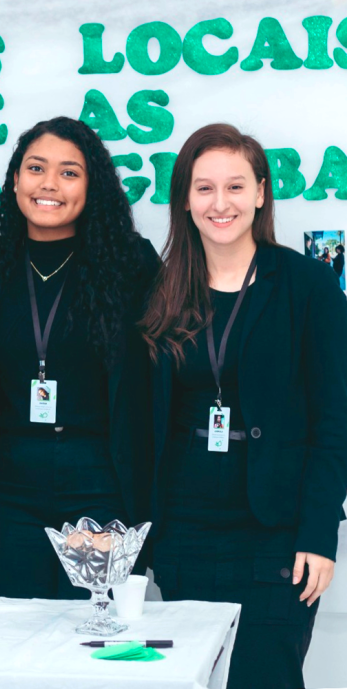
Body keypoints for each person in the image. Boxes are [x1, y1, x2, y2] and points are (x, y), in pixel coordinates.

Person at [141, 124, 347, 689]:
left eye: (235, 186)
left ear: (261, 192)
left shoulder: (307, 285)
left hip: (276, 536)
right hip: (185, 535)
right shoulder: (163, 289)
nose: (220, 203)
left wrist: (318, 534)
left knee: (266, 678)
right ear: (184, 199)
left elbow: (336, 420)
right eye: (204, 188)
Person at [0, 117, 158, 598]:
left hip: (100, 480)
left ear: (92, 186)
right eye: (36, 168)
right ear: (15, 181)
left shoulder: (131, 265)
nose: (49, 184)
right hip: (11, 486)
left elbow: (161, 380)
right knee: (19, 640)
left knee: (96, 636)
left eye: (70, 172)